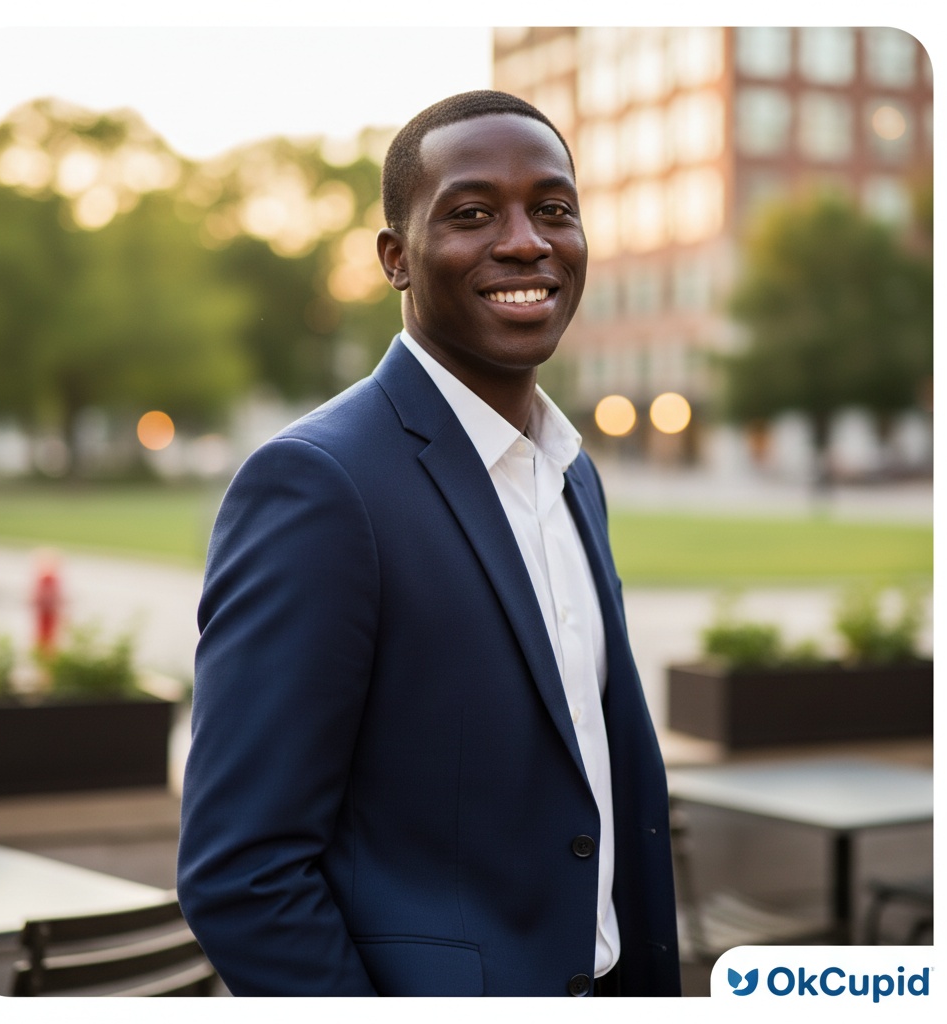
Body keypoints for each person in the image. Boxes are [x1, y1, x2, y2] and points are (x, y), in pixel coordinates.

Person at [177, 90, 681, 997]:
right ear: (395, 259)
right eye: (473, 213)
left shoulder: (572, 473)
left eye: (554, 209)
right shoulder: (319, 486)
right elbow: (242, 873)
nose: (527, 240)